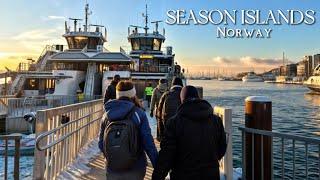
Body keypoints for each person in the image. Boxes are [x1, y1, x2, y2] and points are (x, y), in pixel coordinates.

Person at [152, 85, 227, 180]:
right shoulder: (216, 120)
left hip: (182, 174)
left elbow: (167, 155)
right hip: (210, 174)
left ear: (182, 100)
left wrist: (157, 176)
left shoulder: (174, 122)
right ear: (198, 98)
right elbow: (222, 148)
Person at [98, 81, 158, 180]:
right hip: (135, 167)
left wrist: (113, 157)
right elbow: (148, 143)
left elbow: (101, 143)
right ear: (133, 95)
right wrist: (157, 166)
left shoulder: (107, 115)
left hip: (113, 168)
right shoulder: (139, 114)